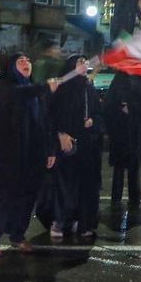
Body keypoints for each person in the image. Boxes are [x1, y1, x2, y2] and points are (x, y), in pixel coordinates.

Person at [0, 53, 57, 256]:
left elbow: (45, 121)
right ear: (12, 67)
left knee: (26, 197)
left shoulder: (34, 89)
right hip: (5, 155)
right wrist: (43, 87)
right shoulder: (5, 85)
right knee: (2, 197)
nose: (26, 63)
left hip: (30, 154)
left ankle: (17, 235)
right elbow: (18, 95)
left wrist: (49, 150)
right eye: (20, 61)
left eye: (28, 60)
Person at [41, 54, 103, 240]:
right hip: (66, 144)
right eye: (79, 62)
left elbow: (98, 113)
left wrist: (92, 121)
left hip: (86, 144)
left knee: (84, 185)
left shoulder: (88, 87)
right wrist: (60, 134)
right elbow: (49, 115)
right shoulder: (62, 87)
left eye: (85, 62)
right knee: (64, 185)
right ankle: (59, 220)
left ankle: (82, 221)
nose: (83, 65)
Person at [103, 71, 141, 205]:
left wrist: (131, 108)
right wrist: (120, 108)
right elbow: (108, 104)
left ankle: (135, 199)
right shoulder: (119, 78)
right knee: (119, 167)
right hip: (119, 130)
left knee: (134, 166)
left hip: (136, 130)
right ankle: (116, 198)